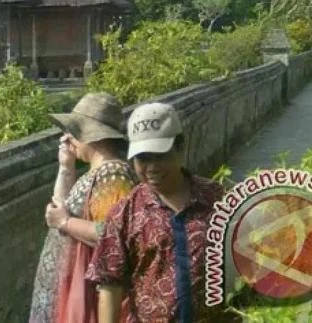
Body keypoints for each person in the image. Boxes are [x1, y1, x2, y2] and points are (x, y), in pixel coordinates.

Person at [87, 102, 240, 322]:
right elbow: (110, 284)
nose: (152, 168)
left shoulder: (219, 199)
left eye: (160, 156)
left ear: (180, 148)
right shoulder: (125, 213)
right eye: (143, 158)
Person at [29, 93, 137, 323]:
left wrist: (66, 223)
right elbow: (59, 209)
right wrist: (66, 167)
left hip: (89, 292)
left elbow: (112, 236)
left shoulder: (113, 174)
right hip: (72, 286)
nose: (68, 138)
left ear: (92, 136)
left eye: (75, 131)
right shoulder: (95, 172)